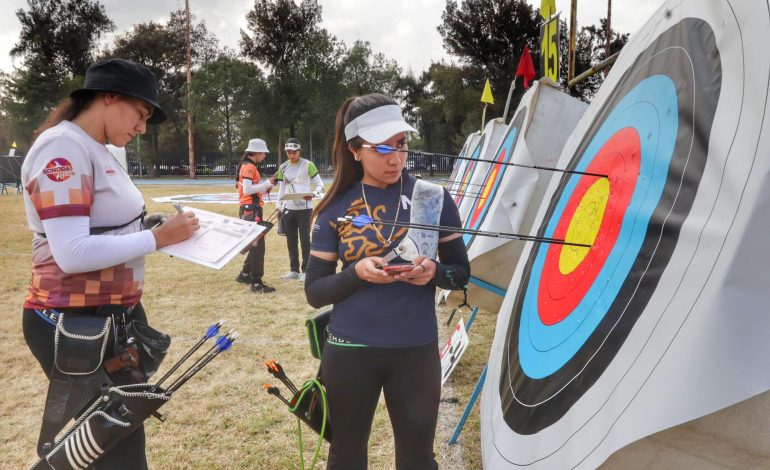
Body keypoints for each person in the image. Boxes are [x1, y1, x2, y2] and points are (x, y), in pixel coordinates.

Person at [20, 58, 199, 469]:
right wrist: (157, 237)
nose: (141, 128)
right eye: (140, 114)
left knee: (116, 441)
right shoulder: (62, 149)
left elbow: (106, 224)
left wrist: (149, 225)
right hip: (74, 324)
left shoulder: (97, 148)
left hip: (109, 320)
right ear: (109, 97)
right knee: (115, 449)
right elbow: (71, 253)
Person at [304, 93, 470, 469]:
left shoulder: (433, 198)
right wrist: (356, 273)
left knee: (417, 460)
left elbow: (460, 274)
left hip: (415, 350)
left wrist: (434, 274)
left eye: (401, 145)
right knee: (345, 456)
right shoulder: (335, 208)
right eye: (382, 148)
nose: (396, 158)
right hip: (349, 351)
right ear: (355, 150)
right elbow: (315, 292)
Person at [276, 137, 324, 282]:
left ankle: (306, 271)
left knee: (305, 240)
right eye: (288, 152)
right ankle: (294, 270)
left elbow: (320, 185)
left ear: (299, 151)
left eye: (294, 152)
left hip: (305, 209)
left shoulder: (308, 165)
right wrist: (279, 205)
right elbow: (282, 188)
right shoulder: (283, 167)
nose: (291, 155)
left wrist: (313, 194)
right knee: (291, 240)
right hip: (288, 209)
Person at [235, 138, 276, 293]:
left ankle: (245, 274)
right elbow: (247, 190)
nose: (264, 156)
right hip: (251, 209)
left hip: (250, 208)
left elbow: (252, 189)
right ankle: (256, 282)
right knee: (258, 245)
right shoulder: (249, 167)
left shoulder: (247, 166)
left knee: (255, 242)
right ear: (257, 153)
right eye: (263, 153)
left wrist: (266, 186)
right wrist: (266, 184)